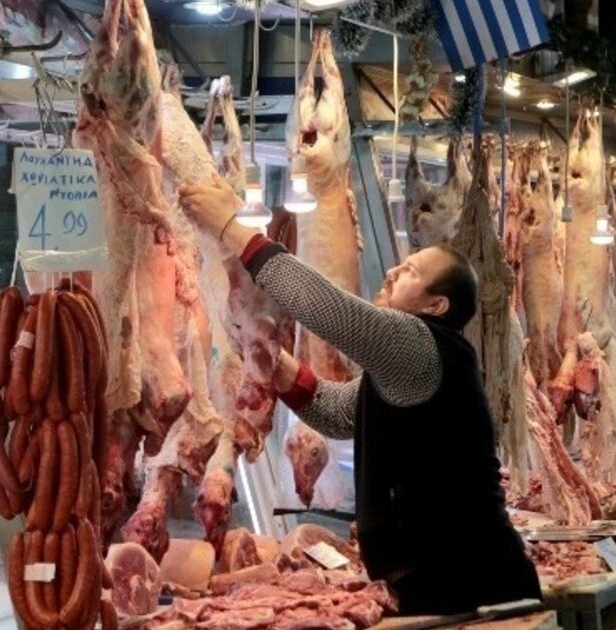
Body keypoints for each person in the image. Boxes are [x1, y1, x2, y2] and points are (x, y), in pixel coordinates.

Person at [179, 177, 541, 614]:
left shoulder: (419, 343)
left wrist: (231, 228)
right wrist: (269, 356)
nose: (392, 272)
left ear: (436, 306)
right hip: (451, 584)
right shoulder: (415, 365)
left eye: (410, 272)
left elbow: (327, 309)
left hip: (473, 585)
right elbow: (337, 413)